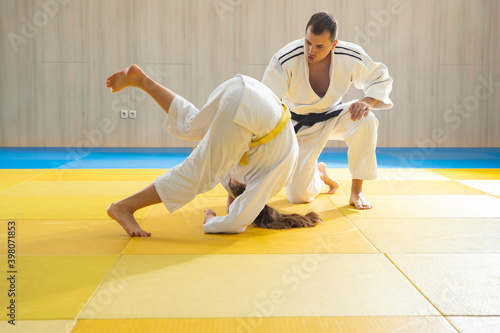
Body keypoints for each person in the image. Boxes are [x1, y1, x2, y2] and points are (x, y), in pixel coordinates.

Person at [105, 65, 318, 236]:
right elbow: (235, 222)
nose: (229, 184)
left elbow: (235, 204)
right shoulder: (269, 181)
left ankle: (144, 81)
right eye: (232, 191)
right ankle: (124, 207)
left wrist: (229, 211)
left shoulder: (270, 161)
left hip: (241, 87)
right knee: (198, 173)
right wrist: (211, 219)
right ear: (244, 189)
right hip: (247, 111)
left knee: (192, 124)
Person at [262, 12, 393, 209]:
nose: (310, 50)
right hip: (297, 124)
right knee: (298, 197)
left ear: (334, 44)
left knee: (366, 118)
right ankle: (319, 173)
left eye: (319, 46)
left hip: (333, 116)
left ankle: (356, 192)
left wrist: (367, 100)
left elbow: (380, 77)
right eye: (308, 42)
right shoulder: (285, 59)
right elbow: (265, 101)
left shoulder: (348, 55)